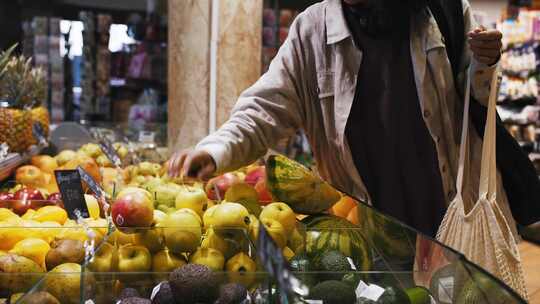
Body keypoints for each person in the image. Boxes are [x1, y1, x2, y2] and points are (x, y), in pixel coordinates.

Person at [168, 0, 515, 238]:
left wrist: (486, 62)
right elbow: (264, 110)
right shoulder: (313, 31)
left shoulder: (443, 13)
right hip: (360, 229)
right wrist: (215, 151)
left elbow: (478, 101)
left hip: (447, 219)